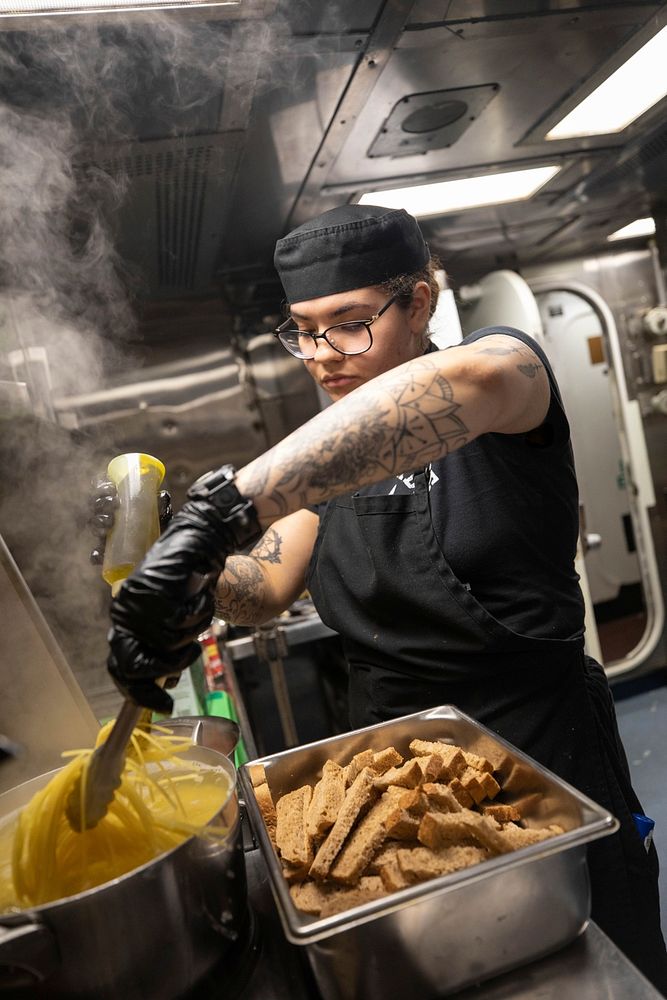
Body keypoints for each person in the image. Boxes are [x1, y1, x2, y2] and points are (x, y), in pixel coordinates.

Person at [103, 204, 667, 991]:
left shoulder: (504, 380)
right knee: (450, 965)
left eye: (349, 323)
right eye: (302, 329)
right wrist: (185, 570)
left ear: (421, 303)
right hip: (392, 760)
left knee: (592, 962)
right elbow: (265, 585)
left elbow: (463, 382)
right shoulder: (325, 453)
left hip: (541, 748)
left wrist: (221, 512)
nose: (322, 354)